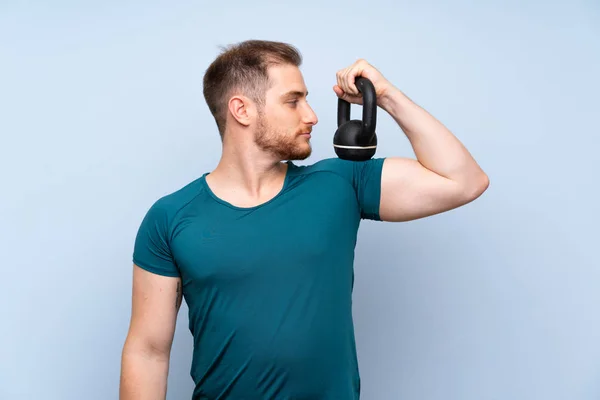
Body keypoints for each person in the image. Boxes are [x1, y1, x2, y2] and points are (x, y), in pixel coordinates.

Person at [119, 40, 489, 399]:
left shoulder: (340, 183)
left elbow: (464, 182)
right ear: (241, 110)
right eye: (293, 101)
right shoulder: (169, 218)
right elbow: (147, 351)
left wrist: (386, 95)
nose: (311, 115)